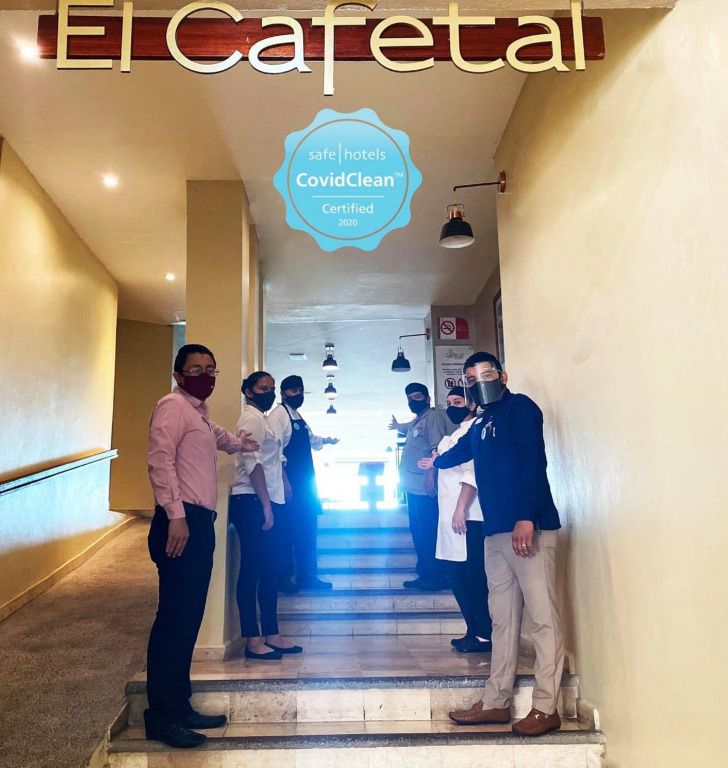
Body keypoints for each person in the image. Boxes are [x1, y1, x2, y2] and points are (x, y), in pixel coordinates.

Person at [419, 352, 563, 737]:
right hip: (494, 532)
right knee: (502, 619)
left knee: (543, 618)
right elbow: (458, 455)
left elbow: (533, 463)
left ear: (502, 376)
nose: (479, 382)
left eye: (485, 374)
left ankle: (546, 707)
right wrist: (434, 459)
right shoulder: (481, 420)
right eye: (471, 378)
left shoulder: (521, 409)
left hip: (528, 528)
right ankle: (496, 702)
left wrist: (526, 517)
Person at [145, 343, 259, 749]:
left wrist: (240, 444)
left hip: (199, 522)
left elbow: (219, 437)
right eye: (195, 369)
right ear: (178, 375)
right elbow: (160, 460)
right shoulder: (172, 406)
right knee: (174, 620)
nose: (205, 375)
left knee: (188, 618)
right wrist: (175, 515)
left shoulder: (198, 414)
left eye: (211, 369)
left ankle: (179, 705)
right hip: (181, 522)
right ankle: (161, 717)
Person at [229, 371, 303, 661]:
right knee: (253, 569)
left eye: (272, 388)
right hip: (251, 500)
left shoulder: (264, 419)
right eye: (263, 388)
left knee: (272, 569)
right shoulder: (250, 419)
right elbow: (253, 464)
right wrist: (266, 505)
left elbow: (275, 458)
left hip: (268, 499)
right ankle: (253, 639)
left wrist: (283, 485)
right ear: (248, 391)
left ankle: (272, 633)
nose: (269, 393)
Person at [267, 375, 339, 592]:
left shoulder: (297, 415)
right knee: (287, 531)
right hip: (290, 483)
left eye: (300, 390)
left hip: (306, 483)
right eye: (293, 391)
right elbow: (276, 451)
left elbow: (311, 439)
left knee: (307, 530)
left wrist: (326, 441)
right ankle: (284, 578)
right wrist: (285, 482)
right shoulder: (278, 415)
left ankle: (308, 577)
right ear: (283, 394)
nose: (297, 395)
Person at [435, 386, 492, 653]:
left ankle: (484, 634)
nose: (451, 407)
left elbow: (472, 473)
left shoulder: (475, 430)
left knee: (473, 576)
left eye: (457, 401)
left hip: (469, 515)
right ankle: (472, 630)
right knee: (456, 575)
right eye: (448, 402)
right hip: (450, 516)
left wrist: (461, 508)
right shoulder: (455, 434)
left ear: (471, 404)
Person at [389, 382, 453, 591]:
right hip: (413, 487)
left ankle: (436, 577)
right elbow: (409, 429)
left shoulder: (433, 417)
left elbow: (437, 448)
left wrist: (430, 475)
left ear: (427, 399)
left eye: (417, 397)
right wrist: (398, 427)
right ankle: (425, 573)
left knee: (428, 532)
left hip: (426, 487)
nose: (412, 401)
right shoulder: (418, 420)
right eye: (409, 398)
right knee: (418, 532)